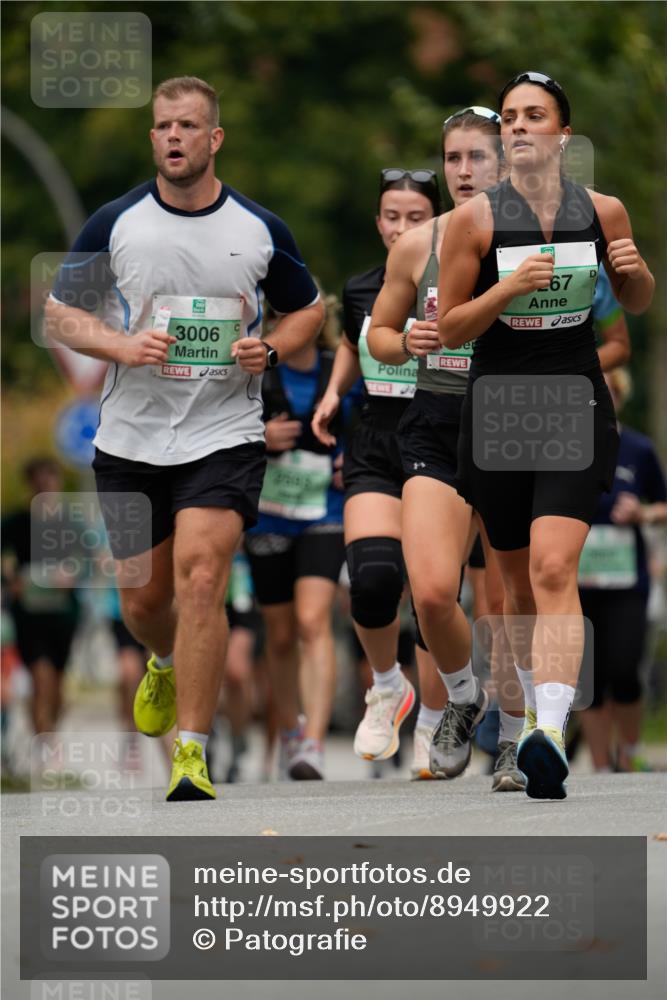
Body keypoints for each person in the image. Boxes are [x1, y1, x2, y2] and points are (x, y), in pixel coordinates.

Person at [45, 76, 324, 801]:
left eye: (188, 125)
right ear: (153, 138)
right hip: (131, 439)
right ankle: (163, 661)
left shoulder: (259, 229)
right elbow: (60, 315)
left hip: (224, 431)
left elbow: (308, 312)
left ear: (214, 138)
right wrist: (120, 345)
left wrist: (271, 347)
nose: (174, 136)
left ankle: (191, 752)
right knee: (143, 601)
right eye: (164, 125)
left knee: (202, 578)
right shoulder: (115, 223)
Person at [438, 71, 655, 799]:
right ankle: (532, 712)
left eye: (535, 116)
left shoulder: (603, 210)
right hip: (498, 409)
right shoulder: (474, 221)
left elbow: (635, 301)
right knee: (513, 586)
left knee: (554, 569)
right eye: (509, 117)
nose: (519, 127)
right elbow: (450, 328)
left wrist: (635, 273)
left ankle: (551, 732)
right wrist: (505, 289)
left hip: (572, 404)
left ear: (564, 133)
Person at [367, 109, 526, 791]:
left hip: (516, 420)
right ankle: (463, 696)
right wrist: (406, 340)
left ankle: (515, 738)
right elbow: (377, 334)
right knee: (431, 592)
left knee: (512, 594)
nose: (463, 171)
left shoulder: (535, 237)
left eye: (477, 158)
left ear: (505, 164)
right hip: (436, 417)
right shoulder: (416, 246)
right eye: (453, 158)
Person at [311, 168, 447, 780]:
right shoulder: (363, 287)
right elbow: (350, 342)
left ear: (438, 223)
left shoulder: (460, 284)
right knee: (371, 580)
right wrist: (332, 395)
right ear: (377, 223)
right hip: (374, 442)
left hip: (441, 443)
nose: (401, 228)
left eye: (415, 218)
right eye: (392, 217)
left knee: (432, 596)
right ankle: (388, 685)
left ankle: (434, 724)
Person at [244, 298, 354, 780]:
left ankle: (314, 741)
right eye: (277, 319)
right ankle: (290, 730)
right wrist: (260, 437)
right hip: (268, 517)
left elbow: (372, 418)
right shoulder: (254, 374)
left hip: (324, 512)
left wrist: (353, 457)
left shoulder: (339, 369)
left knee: (312, 621)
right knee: (282, 633)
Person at [578, 367, 667, 771]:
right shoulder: (566, 447)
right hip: (577, 582)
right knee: (590, 678)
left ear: (620, 395)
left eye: (608, 391)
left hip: (627, 581)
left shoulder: (638, 449)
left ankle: (629, 755)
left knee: (625, 668)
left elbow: (663, 504)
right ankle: (600, 766)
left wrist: (642, 513)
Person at [1, 458, 80, 737]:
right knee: (40, 674)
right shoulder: (16, 523)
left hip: (63, 614)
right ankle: (43, 739)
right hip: (29, 613)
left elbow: (91, 560)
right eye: (38, 481)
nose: (44, 486)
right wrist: (10, 579)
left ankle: (47, 730)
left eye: (49, 480)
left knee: (56, 681)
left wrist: (73, 572)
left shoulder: (71, 523)